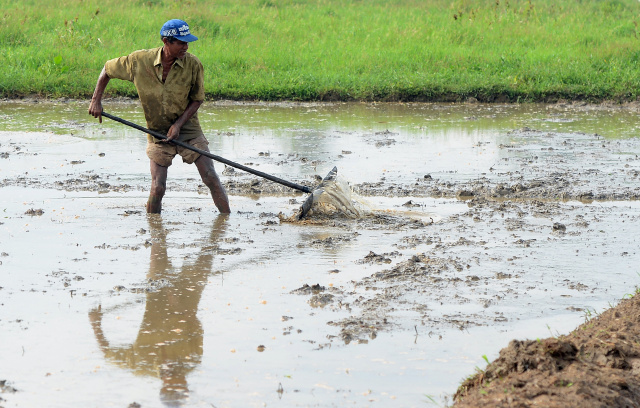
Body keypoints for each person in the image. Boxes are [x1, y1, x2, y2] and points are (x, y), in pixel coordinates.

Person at [89, 19, 231, 214]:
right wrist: (96, 100)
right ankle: (154, 231)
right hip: (156, 130)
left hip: (187, 128)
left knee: (210, 177)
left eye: (187, 42)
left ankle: (226, 219)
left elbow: (197, 100)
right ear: (166, 41)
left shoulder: (193, 64)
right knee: (158, 187)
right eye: (181, 42)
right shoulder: (139, 61)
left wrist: (179, 125)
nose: (186, 47)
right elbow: (107, 69)